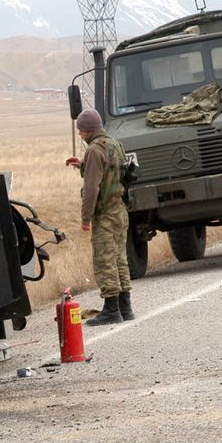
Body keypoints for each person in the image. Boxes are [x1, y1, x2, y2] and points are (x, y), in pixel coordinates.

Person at [66, 109, 133, 325]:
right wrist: (82, 164)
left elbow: (92, 187)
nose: (80, 134)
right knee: (120, 258)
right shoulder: (114, 143)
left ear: (87, 130)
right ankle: (125, 307)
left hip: (105, 213)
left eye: (80, 131)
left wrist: (86, 218)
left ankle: (112, 309)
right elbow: (111, 170)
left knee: (105, 260)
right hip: (120, 210)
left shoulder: (94, 150)